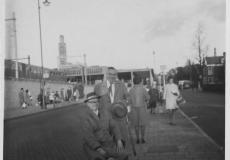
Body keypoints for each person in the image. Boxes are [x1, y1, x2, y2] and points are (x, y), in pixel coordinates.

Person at [82, 92, 129, 160]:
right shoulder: (86, 118)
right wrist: (102, 152)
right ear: (87, 104)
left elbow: (114, 126)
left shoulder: (105, 113)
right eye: (92, 102)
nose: (95, 104)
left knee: (124, 155)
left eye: (96, 101)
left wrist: (118, 139)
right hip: (95, 147)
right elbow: (89, 138)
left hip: (108, 144)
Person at [128, 76, 150, 144]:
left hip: (134, 109)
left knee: (136, 125)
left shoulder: (131, 90)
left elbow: (129, 101)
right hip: (142, 108)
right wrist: (146, 100)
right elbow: (148, 97)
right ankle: (142, 138)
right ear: (140, 81)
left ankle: (137, 139)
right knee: (142, 125)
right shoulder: (143, 89)